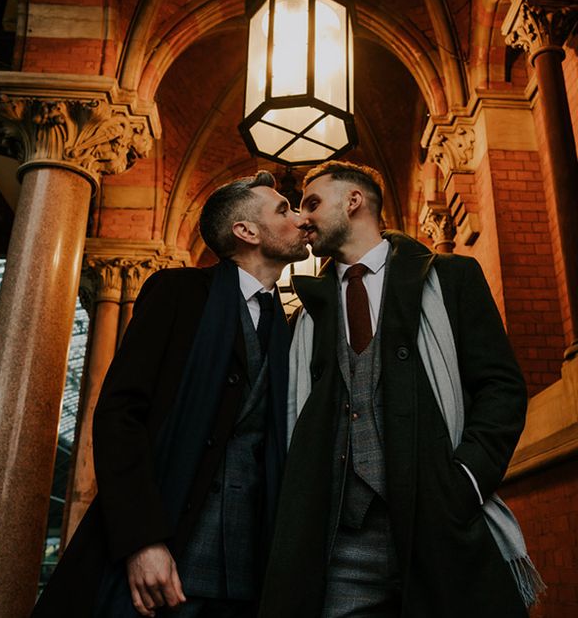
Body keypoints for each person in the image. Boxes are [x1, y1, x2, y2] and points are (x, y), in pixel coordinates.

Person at [258, 161, 533, 618]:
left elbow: (501, 388)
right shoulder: (307, 313)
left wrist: (465, 480)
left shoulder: (450, 278)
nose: (302, 218)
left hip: (440, 526)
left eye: (312, 203)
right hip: (341, 544)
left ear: (354, 201)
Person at [33, 171, 309, 617]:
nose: (298, 218)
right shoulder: (179, 294)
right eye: (283, 209)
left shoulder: (289, 323)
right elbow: (119, 415)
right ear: (246, 231)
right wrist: (142, 540)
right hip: (170, 556)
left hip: (250, 568)